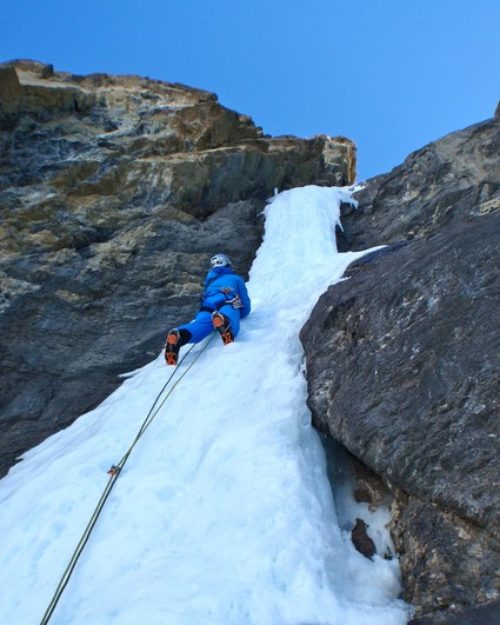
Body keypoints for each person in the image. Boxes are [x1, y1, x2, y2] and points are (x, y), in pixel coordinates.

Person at [164, 253, 251, 365]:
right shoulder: (235, 278)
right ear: (228, 264)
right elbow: (245, 303)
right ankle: (224, 321)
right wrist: (242, 312)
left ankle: (181, 335)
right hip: (227, 301)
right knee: (229, 316)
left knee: (201, 324)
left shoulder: (210, 282)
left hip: (207, 305)